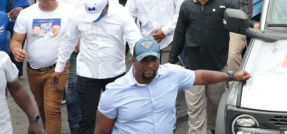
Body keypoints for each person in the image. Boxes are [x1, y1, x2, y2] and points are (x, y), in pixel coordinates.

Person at [95, 37, 250, 134]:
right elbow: (101, 131)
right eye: (144, 60)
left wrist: (231, 76)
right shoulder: (114, 92)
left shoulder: (171, 74)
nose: (149, 65)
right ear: (133, 60)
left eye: (153, 60)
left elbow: (201, 76)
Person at [53, 0, 141, 134]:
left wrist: (139, 68)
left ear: (106, 6)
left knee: (118, 116)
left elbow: (135, 40)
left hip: (115, 73)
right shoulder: (79, 15)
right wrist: (59, 68)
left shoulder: (121, 13)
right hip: (87, 72)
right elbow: (68, 41)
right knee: (87, 119)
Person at [170, 0, 239, 134]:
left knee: (216, 106)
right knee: (194, 112)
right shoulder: (187, 6)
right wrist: (172, 59)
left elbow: (240, 25)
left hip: (217, 67)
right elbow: (179, 33)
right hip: (192, 68)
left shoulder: (226, 4)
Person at [9, 0, 74, 134]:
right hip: (34, 70)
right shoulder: (26, 14)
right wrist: (16, 50)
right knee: (43, 107)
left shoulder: (70, 12)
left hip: (58, 68)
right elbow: (16, 40)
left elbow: (78, 37)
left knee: (52, 108)